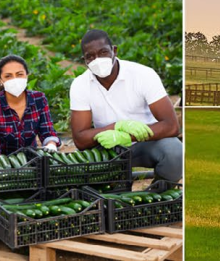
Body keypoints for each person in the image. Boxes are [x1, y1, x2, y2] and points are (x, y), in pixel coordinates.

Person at [68, 29, 182, 182]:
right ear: (85, 60)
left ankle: (161, 192)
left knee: (174, 151)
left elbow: (172, 126)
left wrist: (127, 136)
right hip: (108, 147)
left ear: (114, 50)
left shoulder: (142, 75)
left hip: (145, 143)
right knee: (84, 171)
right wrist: (115, 127)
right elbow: (80, 139)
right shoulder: (80, 85)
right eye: (90, 56)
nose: (97, 60)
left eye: (103, 53)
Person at [0, 55, 60, 157]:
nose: (15, 79)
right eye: (8, 76)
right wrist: (0, 168)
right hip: (4, 161)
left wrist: (51, 144)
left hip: (32, 157)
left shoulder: (39, 99)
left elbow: (47, 131)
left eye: (19, 74)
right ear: (0, 80)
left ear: (27, 75)